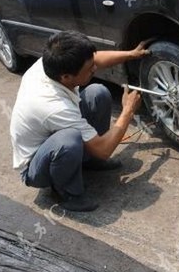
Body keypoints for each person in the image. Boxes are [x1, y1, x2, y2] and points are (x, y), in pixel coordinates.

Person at [10, 31, 150, 211]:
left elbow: (95, 59)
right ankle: (69, 193)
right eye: (89, 68)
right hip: (37, 167)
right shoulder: (54, 106)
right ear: (66, 77)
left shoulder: (50, 64)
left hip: (53, 134)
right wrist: (128, 111)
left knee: (97, 93)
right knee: (69, 140)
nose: (94, 68)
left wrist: (132, 54)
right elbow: (104, 150)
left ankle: (90, 162)